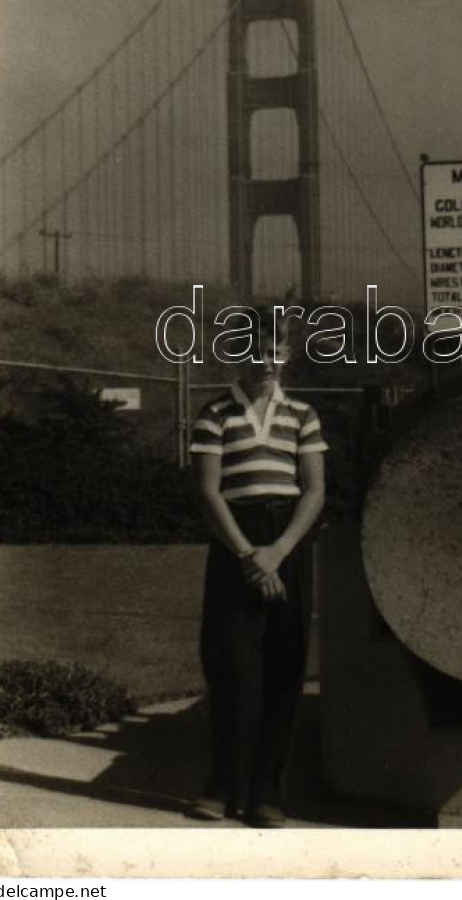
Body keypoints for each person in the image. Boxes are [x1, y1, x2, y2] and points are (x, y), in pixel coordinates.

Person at [186, 308, 327, 827]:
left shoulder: (303, 416)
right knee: (232, 669)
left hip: (288, 543)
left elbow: (314, 491)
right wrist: (249, 553)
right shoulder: (215, 414)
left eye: (274, 349)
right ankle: (222, 787)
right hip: (235, 544)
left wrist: (279, 551)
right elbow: (207, 492)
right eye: (253, 350)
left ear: (286, 353)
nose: (265, 360)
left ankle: (267, 793)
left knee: (284, 670)